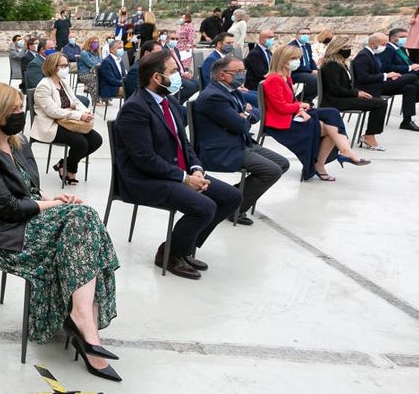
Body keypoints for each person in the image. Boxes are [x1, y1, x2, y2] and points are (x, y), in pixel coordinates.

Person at [0, 83, 121, 380]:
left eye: (21, 108)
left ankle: (83, 322)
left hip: (27, 222)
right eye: (14, 110)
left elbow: (30, 190)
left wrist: (54, 199)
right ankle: (85, 325)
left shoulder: (16, 143)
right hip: (3, 236)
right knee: (82, 221)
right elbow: (9, 209)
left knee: (81, 221)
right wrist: (50, 206)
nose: (21, 114)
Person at [112, 50, 242, 279]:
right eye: (173, 71)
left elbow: (185, 144)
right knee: (205, 206)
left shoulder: (169, 102)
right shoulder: (135, 109)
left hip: (175, 172)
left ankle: (185, 246)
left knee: (231, 197)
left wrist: (196, 169)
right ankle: (170, 254)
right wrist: (184, 179)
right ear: (156, 77)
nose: (179, 76)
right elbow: (144, 159)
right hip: (144, 179)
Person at [194, 55, 289, 223]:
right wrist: (246, 114)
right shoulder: (214, 96)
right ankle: (234, 209)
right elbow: (241, 125)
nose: (242, 75)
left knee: (282, 164)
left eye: (243, 71)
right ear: (221, 75)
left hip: (239, 141)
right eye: (237, 72)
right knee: (271, 171)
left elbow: (257, 111)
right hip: (222, 148)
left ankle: (229, 197)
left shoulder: (233, 91)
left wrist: (245, 114)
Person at [264, 45, 366, 181]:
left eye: (298, 58)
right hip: (281, 122)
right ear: (283, 60)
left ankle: (344, 151)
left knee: (332, 114)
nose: (297, 61)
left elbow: (290, 101)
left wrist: (299, 107)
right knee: (331, 129)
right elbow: (280, 107)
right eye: (293, 58)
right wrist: (299, 107)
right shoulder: (274, 79)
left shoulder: (286, 78)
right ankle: (326, 162)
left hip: (291, 114)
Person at [31, 53, 102, 186]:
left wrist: (85, 111)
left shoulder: (63, 82)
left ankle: (64, 164)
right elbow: (53, 112)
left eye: (67, 65)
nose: (66, 68)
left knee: (96, 140)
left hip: (67, 121)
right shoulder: (44, 86)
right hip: (51, 124)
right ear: (52, 67)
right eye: (63, 66)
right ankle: (71, 170)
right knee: (81, 143)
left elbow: (74, 100)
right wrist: (79, 116)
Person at [351, 33, 419, 131]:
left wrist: (390, 76)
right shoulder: (364, 55)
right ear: (373, 43)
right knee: (412, 77)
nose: (385, 47)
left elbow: (377, 71)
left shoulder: (372, 53)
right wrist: (386, 76)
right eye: (383, 44)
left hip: (379, 83)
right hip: (371, 88)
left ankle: (407, 121)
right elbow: (363, 78)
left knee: (409, 88)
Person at [319, 36, 390, 151]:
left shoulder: (340, 63)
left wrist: (357, 92)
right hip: (335, 100)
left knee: (379, 102)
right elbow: (335, 89)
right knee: (380, 104)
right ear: (337, 48)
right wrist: (356, 94)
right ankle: (369, 137)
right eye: (345, 47)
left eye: (349, 46)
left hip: (342, 97)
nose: (348, 49)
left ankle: (369, 136)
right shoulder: (332, 64)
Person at [286, 27, 319, 104]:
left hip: (307, 71)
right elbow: (295, 64)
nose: (306, 35)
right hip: (296, 72)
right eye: (303, 33)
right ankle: (300, 99)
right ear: (297, 35)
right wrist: (311, 71)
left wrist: (316, 70)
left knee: (322, 79)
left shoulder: (307, 46)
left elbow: (310, 60)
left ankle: (307, 100)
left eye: (308, 34)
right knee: (315, 80)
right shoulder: (292, 46)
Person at [76, 36, 103, 107]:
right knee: (94, 79)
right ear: (89, 43)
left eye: (97, 42)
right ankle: (95, 101)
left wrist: (99, 64)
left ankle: (105, 99)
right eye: (94, 42)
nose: (96, 44)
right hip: (85, 74)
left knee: (106, 78)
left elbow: (101, 63)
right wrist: (99, 64)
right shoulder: (84, 53)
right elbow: (91, 64)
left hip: (95, 73)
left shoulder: (97, 53)